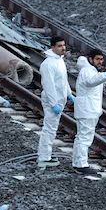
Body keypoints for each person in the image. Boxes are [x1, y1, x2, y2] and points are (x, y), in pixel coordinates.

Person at [73, 49, 106, 175]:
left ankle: (79, 163)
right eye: (97, 59)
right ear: (90, 59)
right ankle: (81, 165)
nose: (100, 62)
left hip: (89, 109)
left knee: (84, 137)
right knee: (84, 138)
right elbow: (90, 82)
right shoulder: (87, 70)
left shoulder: (91, 70)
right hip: (87, 110)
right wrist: (104, 76)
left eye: (101, 59)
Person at [37, 35, 71, 168]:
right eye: (59, 46)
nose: (63, 48)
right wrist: (53, 103)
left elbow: (63, 80)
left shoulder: (59, 60)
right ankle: (44, 157)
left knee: (52, 128)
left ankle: (46, 155)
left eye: (63, 45)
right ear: (52, 47)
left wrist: (69, 94)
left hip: (59, 99)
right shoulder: (48, 64)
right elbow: (48, 85)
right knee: (49, 128)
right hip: (53, 100)